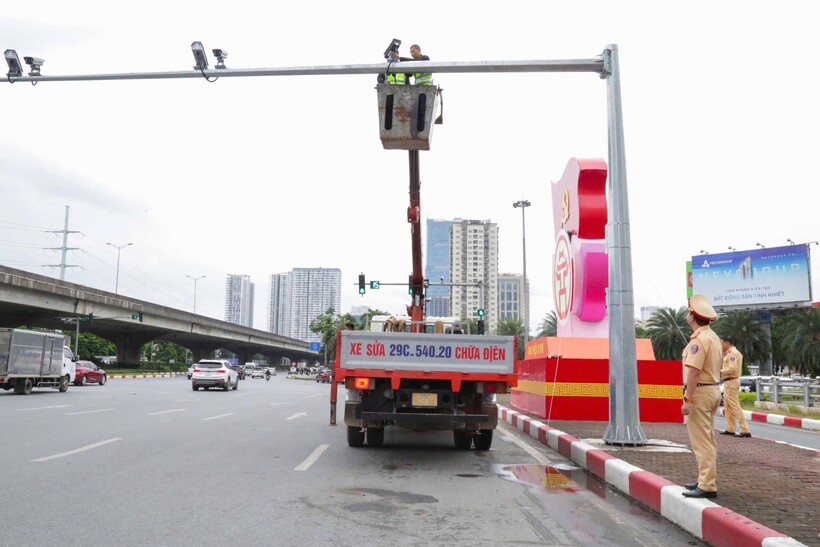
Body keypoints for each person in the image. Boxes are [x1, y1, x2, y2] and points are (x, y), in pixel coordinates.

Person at [680, 294, 722, 499]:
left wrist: (688, 400)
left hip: (701, 392)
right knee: (708, 438)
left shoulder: (699, 340)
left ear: (692, 317)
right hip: (713, 390)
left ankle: (707, 484)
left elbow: (694, 372)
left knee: (702, 441)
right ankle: (704, 478)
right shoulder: (713, 337)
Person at [720, 336, 751, 437]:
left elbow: (732, 368)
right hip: (729, 381)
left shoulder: (732, 353)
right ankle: (730, 428)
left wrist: (720, 371)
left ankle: (745, 429)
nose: (721, 345)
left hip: (731, 381)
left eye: (722, 343)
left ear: (727, 343)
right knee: (728, 407)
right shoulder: (731, 353)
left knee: (734, 406)